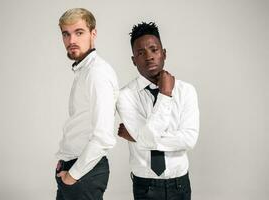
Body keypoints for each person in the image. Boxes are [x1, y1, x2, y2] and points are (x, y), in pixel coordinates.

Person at [116, 22, 199, 200]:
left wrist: (139, 138)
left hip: (180, 184)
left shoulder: (186, 91)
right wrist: (165, 94)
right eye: (141, 53)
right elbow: (149, 138)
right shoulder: (125, 96)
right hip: (146, 186)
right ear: (133, 60)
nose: (149, 57)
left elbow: (189, 139)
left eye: (154, 49)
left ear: (164, 53)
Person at [55, 8, 119, 200]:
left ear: (93, 34)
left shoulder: (96, 73)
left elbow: (103, 137)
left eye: (79, 32)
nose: (71, 40)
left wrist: (72, 175)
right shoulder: (84, 70)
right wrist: (65, 161)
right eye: (66, 34)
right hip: (75, 168)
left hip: (84, 173)